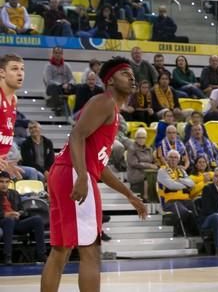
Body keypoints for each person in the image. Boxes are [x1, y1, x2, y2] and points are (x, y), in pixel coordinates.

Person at [40, 57, 147, 292]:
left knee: (60, 250)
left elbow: (100, 166)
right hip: (72, 172)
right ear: (109, 81)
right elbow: (77, 135)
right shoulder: (105, 102)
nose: (131, 78)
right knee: (90, 250)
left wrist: (129, 195)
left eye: (132, 74)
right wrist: (80, 176)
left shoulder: (112, 111)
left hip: (65, 172)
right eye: (124, 74)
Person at [0, 171, 47, 264]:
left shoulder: (14, 193)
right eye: (1, 182)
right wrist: (6, 215)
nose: (4, 184)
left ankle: (41, 255)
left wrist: (19, 213)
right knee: (9, 221)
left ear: (9, 182)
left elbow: (23, 210)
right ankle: (7, 256)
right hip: (3, 222)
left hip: (16, 222)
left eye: (6, 182)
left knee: (37, 219)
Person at [0, 54, 24, 178]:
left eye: (22, 69)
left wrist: (6, 163)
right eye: (15, 69)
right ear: (2, 73)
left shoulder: (14, 100)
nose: (20, 73)